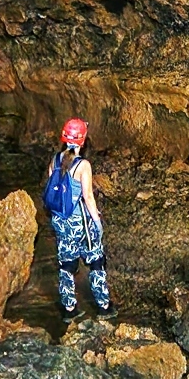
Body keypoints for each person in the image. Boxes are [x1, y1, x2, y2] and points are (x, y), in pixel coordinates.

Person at [44, 118, 112, 318]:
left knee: (67, 263)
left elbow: (52, 190)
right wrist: (97, 224)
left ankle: (69, 308)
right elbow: (88, 197)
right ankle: (104, 306)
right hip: (78, 222)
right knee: (96, 259)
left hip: (59, 221)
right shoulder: (83, 165)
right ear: (82, 140)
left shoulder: (55, 160)